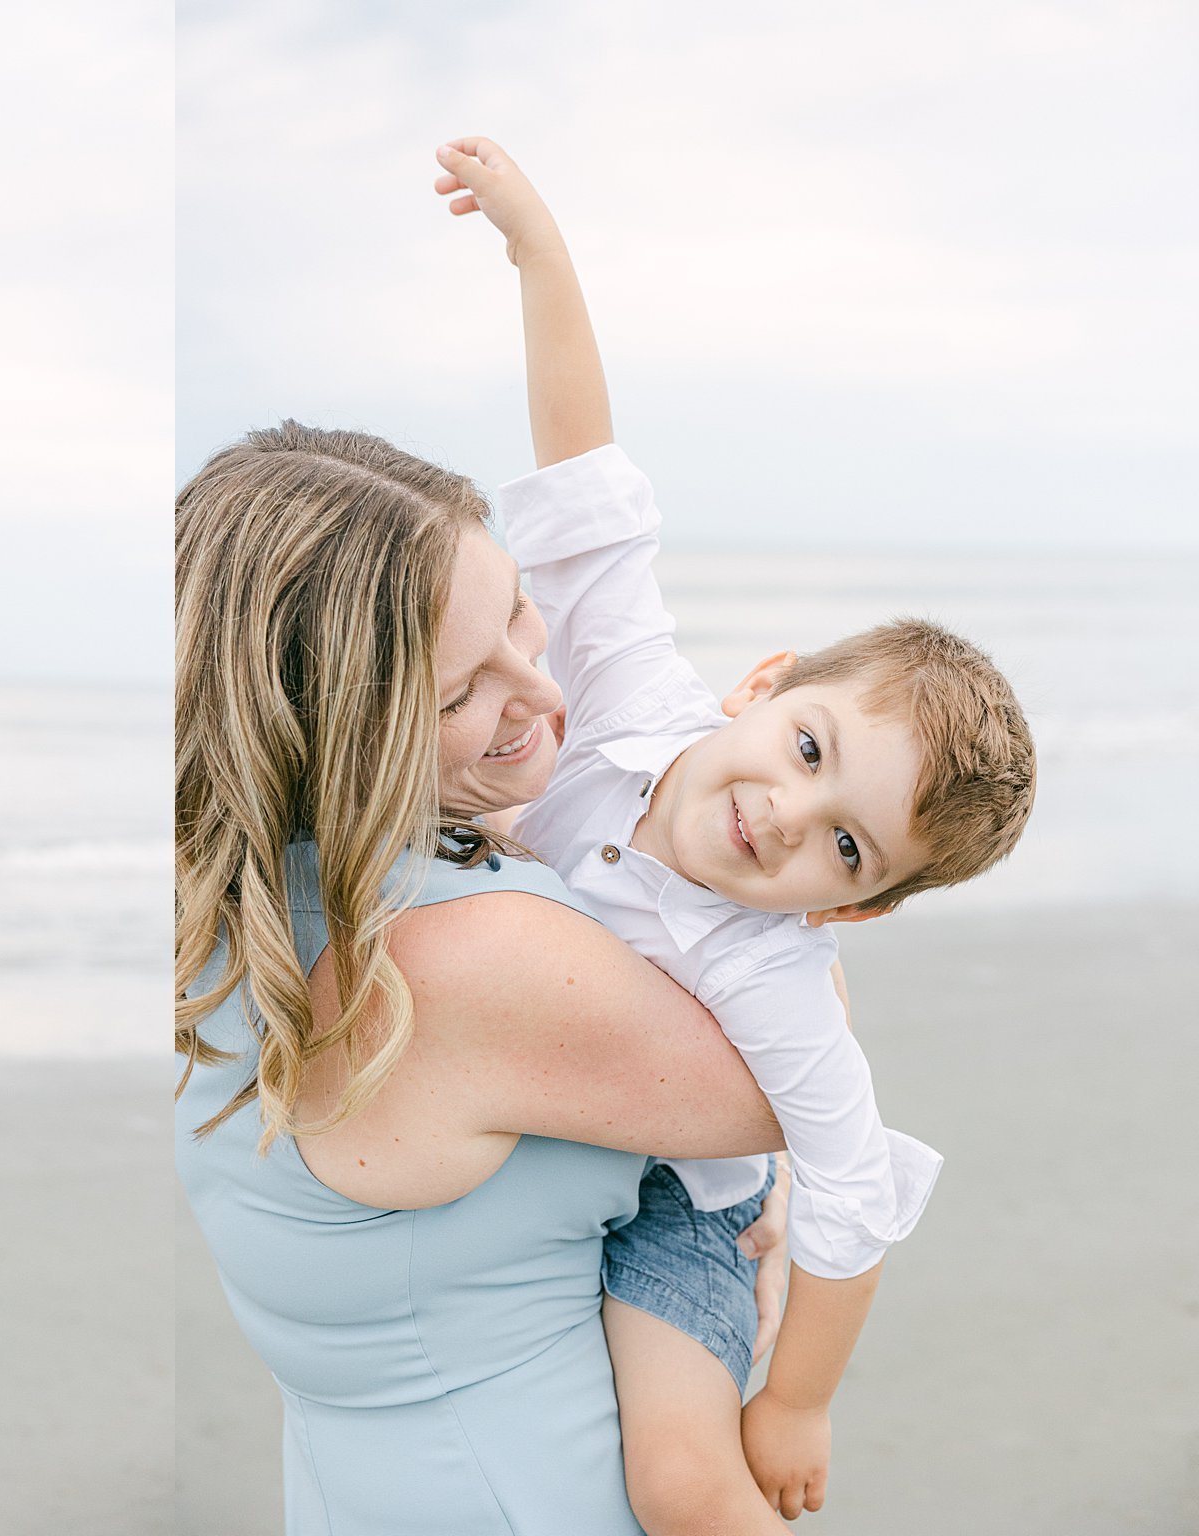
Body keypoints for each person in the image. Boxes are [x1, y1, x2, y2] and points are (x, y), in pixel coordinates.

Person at [171, 174, 794, 1536]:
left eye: (527, 620)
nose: (549, 698)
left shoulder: (225, 896)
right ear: (329, 727)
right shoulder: (466, 960)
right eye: (464, 694)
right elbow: (791, 1068)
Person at [444, 139, 1036, 1529]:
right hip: (529, 1128)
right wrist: (537, 245)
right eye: (811, 750)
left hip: (673, 1209)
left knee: (686, 1485)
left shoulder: (779, 980)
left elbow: (851, 1197)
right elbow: (587, 480)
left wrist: (801, 1400)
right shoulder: (635, 696)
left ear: (855, 911)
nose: (786, 814)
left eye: (847, 848)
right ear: (764, 685)